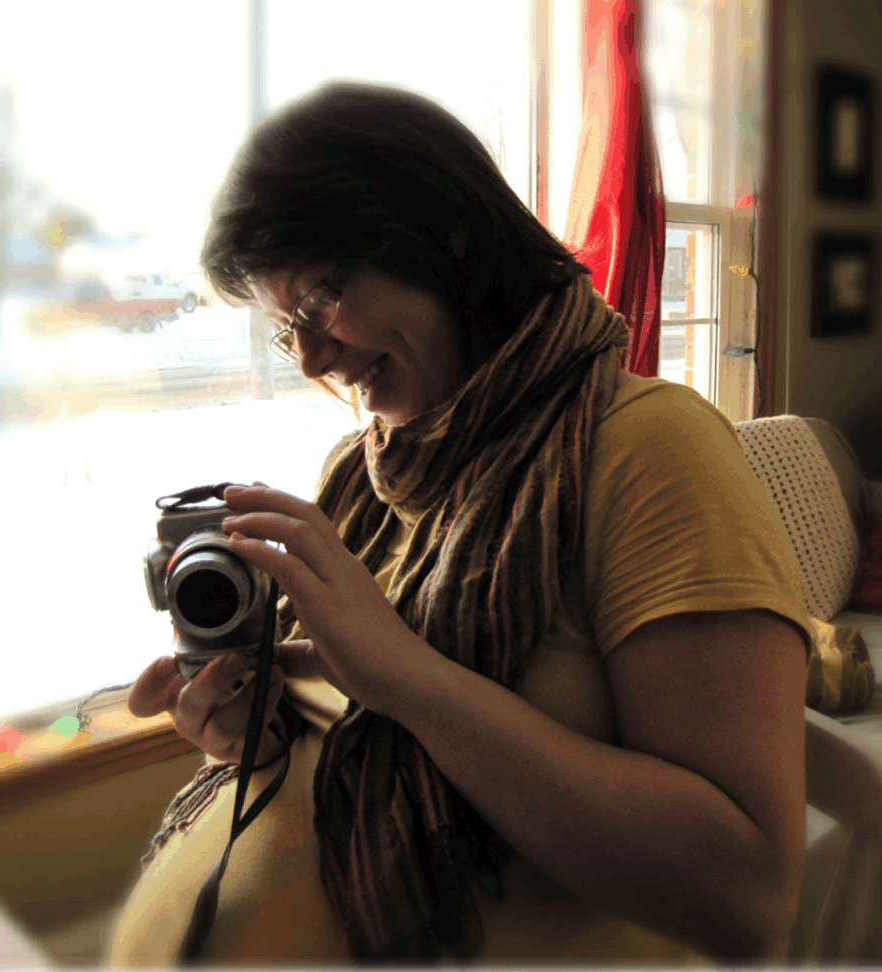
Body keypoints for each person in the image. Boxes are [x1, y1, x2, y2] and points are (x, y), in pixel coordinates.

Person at [107, 81, 814, 966]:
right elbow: (355, 743)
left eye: (320, 300)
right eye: (288, 331)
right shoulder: (359, 476)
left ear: (447, 235)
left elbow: (747, 896)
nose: (313, 357)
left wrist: (406, 678)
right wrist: (248, 739)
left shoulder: (649, 449)